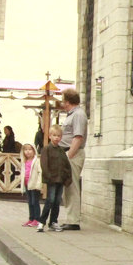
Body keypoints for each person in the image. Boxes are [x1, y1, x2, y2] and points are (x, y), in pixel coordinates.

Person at [58, 88, 87, 230]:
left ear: (67, 101)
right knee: (68, 187)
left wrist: (69, 155)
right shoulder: (72, 114)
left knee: (73, 186)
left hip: (73, 154)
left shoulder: (79, 115)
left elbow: (78, 137)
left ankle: (74, 220)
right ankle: (70, 217)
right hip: (68, 152)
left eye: (63, 100)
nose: (62, 103)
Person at [38, 125, 71, 232]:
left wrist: (67, 177)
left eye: (58, 136)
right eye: (54, 135)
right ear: (50, 136)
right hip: (51, 179)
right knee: (50, 200)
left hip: (60, 179)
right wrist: (48, 176)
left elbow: (66, 164)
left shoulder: (61, 151)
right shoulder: (46, 149)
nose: (56, 138)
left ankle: (53, 222)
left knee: (57, 201)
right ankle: (42, 222)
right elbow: (44, 164)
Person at [21, 143, 42, 227]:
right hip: (27, 184)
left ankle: (37, 219)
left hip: (34, 185)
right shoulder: (24, 161)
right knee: (29, 202)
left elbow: (40, 173)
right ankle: (31, 218)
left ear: (34, 150)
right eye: (26, 150)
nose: (28, 152)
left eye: (30, 149)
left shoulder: (37, 161)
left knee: (35, 202)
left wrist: (38, 184)